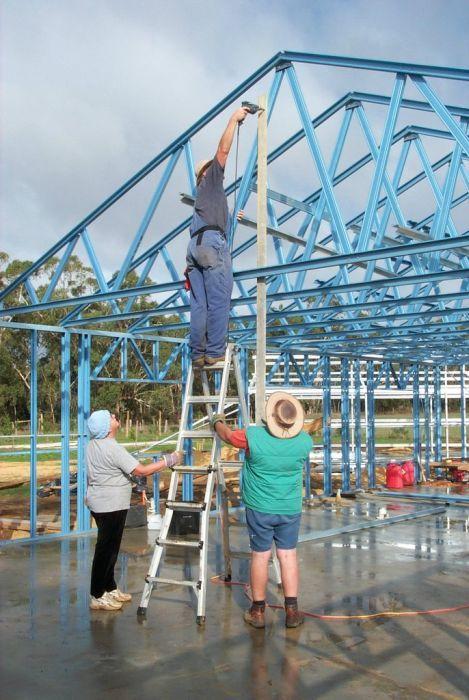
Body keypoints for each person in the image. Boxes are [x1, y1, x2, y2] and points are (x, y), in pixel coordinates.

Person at [211, 393, 321, 629]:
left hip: (260, 506)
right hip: (289, 507)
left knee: (260, 556)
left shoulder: (253, 436)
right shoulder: (304, 441)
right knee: (288, 555)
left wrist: (217, 422)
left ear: (271, 416)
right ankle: (292, 611)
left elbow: (229, 436)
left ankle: (258, 611)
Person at [86, 409, 183, 612]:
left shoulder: (94, 445)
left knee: (112, 547)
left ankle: (109, 587)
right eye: (111, 417)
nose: (115, 417)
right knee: (105, 549)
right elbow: (141, 470)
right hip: (109, 505)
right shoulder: (111, 447)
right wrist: (169, 460)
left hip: (105, 503)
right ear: (106, 427)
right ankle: (97, 595)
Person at [186, 106, 251, 368]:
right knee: (220, 298)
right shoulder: (211, 180)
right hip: (211, 245)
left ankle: (197, 354)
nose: (219, 170)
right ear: (207, 172)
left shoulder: (203, 197)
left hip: (195, 249)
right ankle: (214, 351)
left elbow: (200, 232)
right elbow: (223, 151)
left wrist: (231, 218)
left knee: (199, 305)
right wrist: (233, 120)